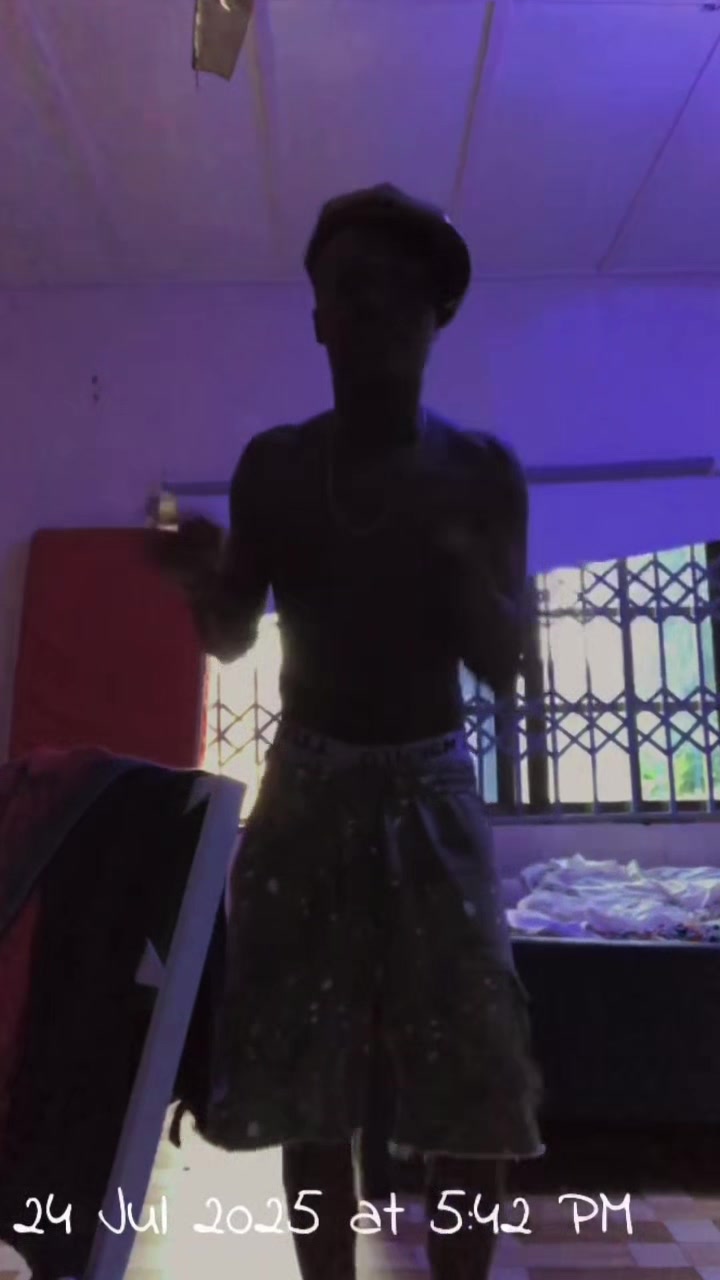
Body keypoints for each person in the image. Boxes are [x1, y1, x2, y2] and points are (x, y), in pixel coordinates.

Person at [148, 183, 543, 1280]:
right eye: (348, 289)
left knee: (471, 1077)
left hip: (435, 785)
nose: (371, 309)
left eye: (398, 290)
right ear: (317, 317)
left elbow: (507, 666)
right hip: (307, 786)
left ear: (435, 314)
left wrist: (453, 557)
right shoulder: (275, 467)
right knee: (305, 1085)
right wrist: (202, 582)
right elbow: (232, 636)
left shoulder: (483, 472)